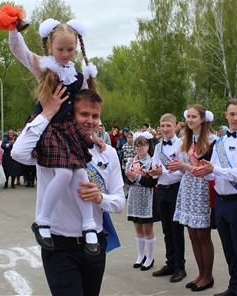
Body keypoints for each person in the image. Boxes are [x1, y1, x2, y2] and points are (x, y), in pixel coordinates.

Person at [11, 87, 125, 296]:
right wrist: (47, 113)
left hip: (94, 243)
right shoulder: (49, 148)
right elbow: (18, 152)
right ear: (70, 114)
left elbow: (119, 202)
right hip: (59, 246)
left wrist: (99, 198)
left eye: (95, 116)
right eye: (83, 114)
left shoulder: (107, 153)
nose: (90, 121)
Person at [3, 9, 100, 254]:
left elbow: (88, 107)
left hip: (70, 131)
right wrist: (14, 29)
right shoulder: (44, 67)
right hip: (50, 128)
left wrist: (94, 134)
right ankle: (42, 220)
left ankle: (89, 225)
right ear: (51, 47)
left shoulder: (80, 75)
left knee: (81, 175)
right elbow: (20, 52)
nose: (66, 54)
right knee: (65, 174)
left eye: (70, 50)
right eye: (61, 50)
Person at [192, 98, 237, 296]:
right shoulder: (221, 141)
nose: (235, 118)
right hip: (220, 201)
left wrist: (215, 170)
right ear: (226, 115)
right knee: (228, 248)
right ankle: (234, 286)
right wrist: (203, 171)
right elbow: (214, 173)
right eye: (232, 114)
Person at [170, 105, 217, 292]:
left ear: (203, 119)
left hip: (202, 187)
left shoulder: (213, 141)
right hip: (188, 187)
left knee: (203, 235)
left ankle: (208, 275)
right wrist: (177, 167)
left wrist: (184, 166)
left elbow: (206, 169)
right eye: (188, 116)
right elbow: (185, 166)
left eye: (194, 116)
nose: (190, 120)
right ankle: (200, 273)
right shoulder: (186, 140)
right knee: (192, 234)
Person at [147, 113, 186, 283]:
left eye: (168, 125)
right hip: (162, 189)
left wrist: (161, 171)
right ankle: (170, 262)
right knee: (166, 229)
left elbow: (182, 170)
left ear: (175, 125)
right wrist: (154, 172)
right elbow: (156, 165)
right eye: (162, 126)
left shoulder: (182, 145)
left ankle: (180, 266)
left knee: (176, 229)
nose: (164, 129)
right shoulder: (157, 146)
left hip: (176, 188)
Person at [125, 132, 159, 271]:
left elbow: (152, 182)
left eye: (142, 145)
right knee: (137, 228)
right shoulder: (131, 161)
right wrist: (131, 177)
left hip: (147, 196)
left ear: (148, 146)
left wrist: (138, 177)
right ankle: (140, 256)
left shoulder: (152, 162)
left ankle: (150, 257)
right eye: (137, 146)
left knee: (147, 229)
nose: (140, 148)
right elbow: (127, 181)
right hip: (134, 196)